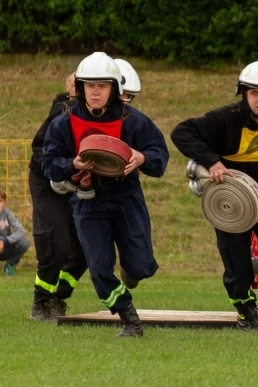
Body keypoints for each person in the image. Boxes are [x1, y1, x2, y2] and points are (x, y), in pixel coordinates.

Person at [171, 59, 258, 331]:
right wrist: (211, 161)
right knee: (237, 267)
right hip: (229, 198)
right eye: (254, 93)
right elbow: (181, 133)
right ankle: (247, 314)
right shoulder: (225, 118)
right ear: (244, 94)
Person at [42, 52, 169, 337]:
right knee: (99, 268)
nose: (95, 91)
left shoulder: (133, 120)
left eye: (102, 85)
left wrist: (142, 158)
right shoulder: (64, 121)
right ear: (81, 87)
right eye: (90, 85)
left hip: (127, 197)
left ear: (114, 89)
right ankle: (129, 318)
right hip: (87, 201)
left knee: (141, 266)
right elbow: (47, 163)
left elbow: (160, 155)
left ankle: (133, 270)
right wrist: (71, 164)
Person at [27, 72, 88, 320]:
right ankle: (41, 302)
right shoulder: (64, 110)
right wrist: (62, 168)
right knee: (56, 244)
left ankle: (58, 296)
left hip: (74, 181)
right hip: (46, 179)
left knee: (85, 248)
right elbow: (39, 148)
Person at [0, 187, 31, 276]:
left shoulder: (7, 213)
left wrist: (5, 241)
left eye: (0, 201)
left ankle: (9, 264)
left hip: (5, 247)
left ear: (4, 203)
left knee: (24, 242)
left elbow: (20, 231)